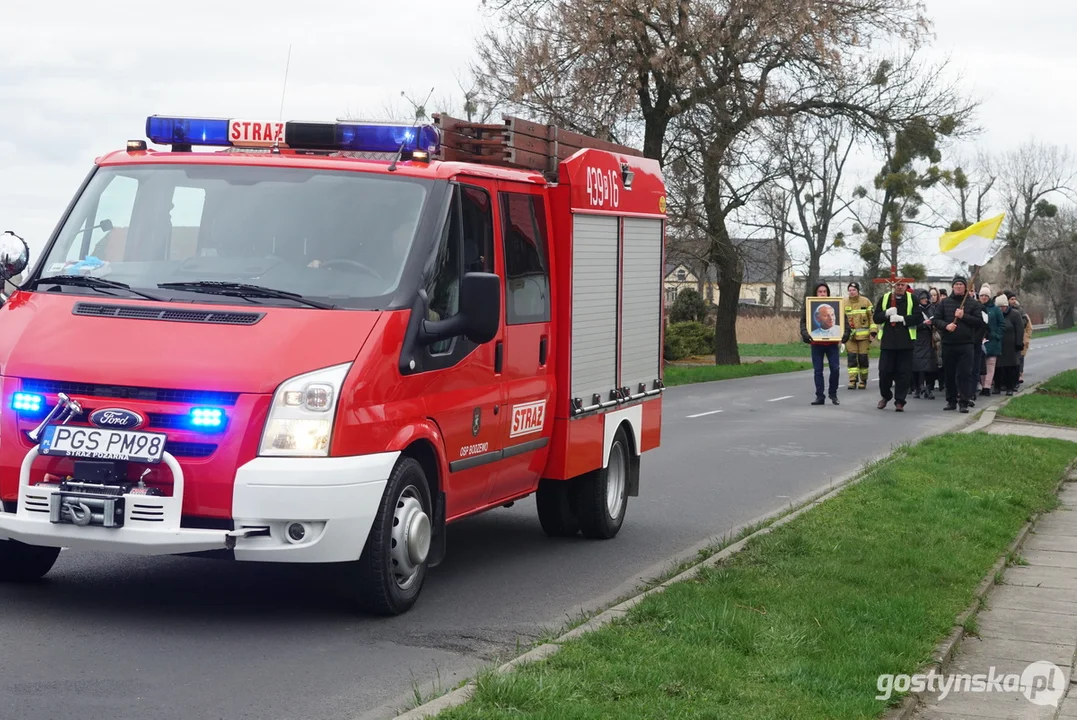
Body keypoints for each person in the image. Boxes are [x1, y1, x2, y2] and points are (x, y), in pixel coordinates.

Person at [932, 275, 986, 413]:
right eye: (956, 285)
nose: (958, 287)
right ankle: (951, 401)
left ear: (965, 287)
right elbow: (936, 320)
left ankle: (964, 402)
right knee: (949, 374)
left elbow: (979, 322)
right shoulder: (944, 303)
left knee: (964, 374)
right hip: (949, 343)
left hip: (966, 344)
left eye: (961, 285)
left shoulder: (973, 304)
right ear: (952, 287)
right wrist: (946, 326)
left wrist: (964, 316)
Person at [873, 280, 921, 411]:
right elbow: (876, 318)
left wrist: (903, 319)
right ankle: (885, 395)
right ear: (893, 286)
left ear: (906, 286)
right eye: (897, 285)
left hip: (905, 343)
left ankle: (900, 401)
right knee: (884, 372)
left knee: (903, 375)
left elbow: (918, 318)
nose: (899, 287)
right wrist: (886, 313)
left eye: (902, 285)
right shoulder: (885, 298)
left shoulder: (912, 299)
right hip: (888, 342)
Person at [801, 282, 850, 406]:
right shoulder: (809, 306)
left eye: (824, 291)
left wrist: (843, 337)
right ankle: (819, 396)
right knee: (818, 371)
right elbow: (803, 324)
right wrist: (807, 336)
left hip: (832, 344)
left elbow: (846, 325)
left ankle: (833, 394)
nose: (822, 294)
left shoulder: (836, 305)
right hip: (816, 344)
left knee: (835, 369)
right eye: (820, 291)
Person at [843, 282, 877, 389]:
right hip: (850, 337)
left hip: (864, 337)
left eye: (854, 290)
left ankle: (863, 380)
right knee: (852, 358)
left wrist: (873, 332)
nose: (852, 292)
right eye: (850, 290)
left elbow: (872, 318)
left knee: (863, 359)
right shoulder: (844, 303)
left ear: (858, 291)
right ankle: (852, 380)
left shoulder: (865, 301)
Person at [978, 285, 1004, 397]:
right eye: (982, 295)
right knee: (981, 365)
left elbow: (1002, 324)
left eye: (986, 295)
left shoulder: (995, 310)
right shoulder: (976, 308)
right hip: (979, 340)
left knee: (990, 364)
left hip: (992, 341)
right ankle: (982, 384)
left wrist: (996, 335)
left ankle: (987, 387)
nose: (984, 297)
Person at [997, 293, 1025, 395]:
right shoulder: (996, 314)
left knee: (1010, 367)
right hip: (999, 344)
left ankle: (1010, 387)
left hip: (1011, 344)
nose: (1001, 309)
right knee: (999, 366)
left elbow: (1020, 329)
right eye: (999, 307)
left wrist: (1019, 342)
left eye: (1003, 306)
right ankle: (998, 386)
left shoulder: (1015, 314)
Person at [912, 289, 938, 399]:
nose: (925, 300)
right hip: (918, 339)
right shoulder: (914, 310)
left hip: (930, 339)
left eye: (926, 298)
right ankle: (918, 387)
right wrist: (923, 324)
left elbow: (937, 320)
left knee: (931, 366)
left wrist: (933, 323)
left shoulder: (932, 308)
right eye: (922, 298)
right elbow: (911, 323)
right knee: (917, 365)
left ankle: (929, 388)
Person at [1006, 290, 1033, 387]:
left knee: (1019, 357)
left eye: (1014, 299)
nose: (1013, 301)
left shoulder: (1019, 310)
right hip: (1007, 337)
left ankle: (1019, 375)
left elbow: (1025, 320)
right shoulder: (1004, 309)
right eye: (1011, 299)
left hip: (1018, 336)